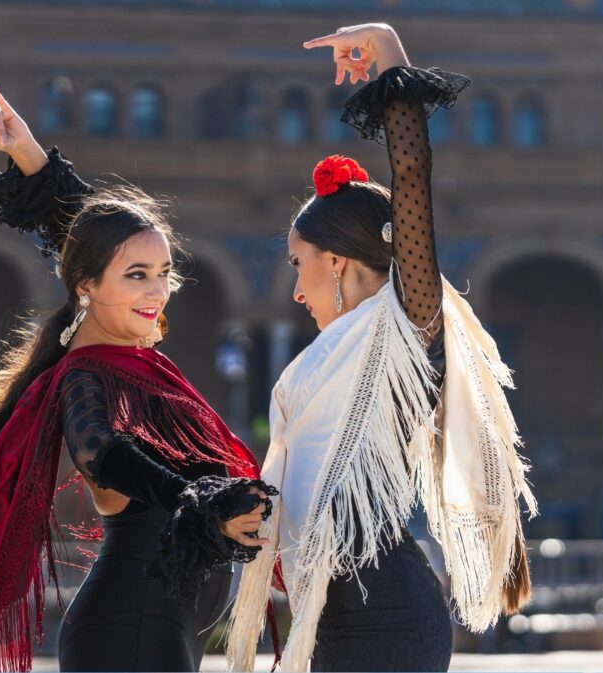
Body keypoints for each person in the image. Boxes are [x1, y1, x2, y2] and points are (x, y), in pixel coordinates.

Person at [0, 87, 277, 672]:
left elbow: (90, 234)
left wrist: (29, 154)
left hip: (159, 627)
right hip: (130, 629)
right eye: (137, 275)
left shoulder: (133, 362)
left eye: (163, 272)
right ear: (86, 286)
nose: (157, 291)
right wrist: (198, 500)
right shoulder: (86, 376)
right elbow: (103, 452)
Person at [225, 24, 538, 672]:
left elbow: (413, 176)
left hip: (388, 615)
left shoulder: (405, 328)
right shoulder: (333, 350)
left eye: (297, 263)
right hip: (334, 610)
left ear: (336, 262)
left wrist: (389, 56)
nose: (294, 288)